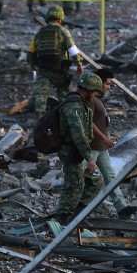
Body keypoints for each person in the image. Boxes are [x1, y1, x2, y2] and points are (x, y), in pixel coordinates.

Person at [54, 72, 104, 225]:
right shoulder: (73, 106)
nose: (96, 95)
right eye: (95, 91)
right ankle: (63, 219)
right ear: (88, 89)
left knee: (95, 180)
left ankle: (79, 214)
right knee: (73, 185)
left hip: (77, 151)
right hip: (71, 151)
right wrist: (89, 157)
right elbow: (78, 134)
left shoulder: (80, 103)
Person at [90, 68, 136, 218]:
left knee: (110, 177)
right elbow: (88, 122)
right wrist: (104, 137)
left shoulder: (98, 99)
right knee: (85, 178)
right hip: (92, 147)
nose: (109, 87)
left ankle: (122, 208)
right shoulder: (91, 100)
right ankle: (75, 210)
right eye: (107, 84)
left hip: (101, 147)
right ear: (98, 83)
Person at [27, 5, 83, 115]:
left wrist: (34, 68)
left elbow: (30, 54)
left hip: (43, 71)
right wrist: (79, 63)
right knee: (63, 94)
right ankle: (63, 118)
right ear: (60, 19)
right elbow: (73, 50)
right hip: (60, 71)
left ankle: (39, 120)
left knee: (41, 97)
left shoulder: (39, 33)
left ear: (48, 18)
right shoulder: (63, 31)